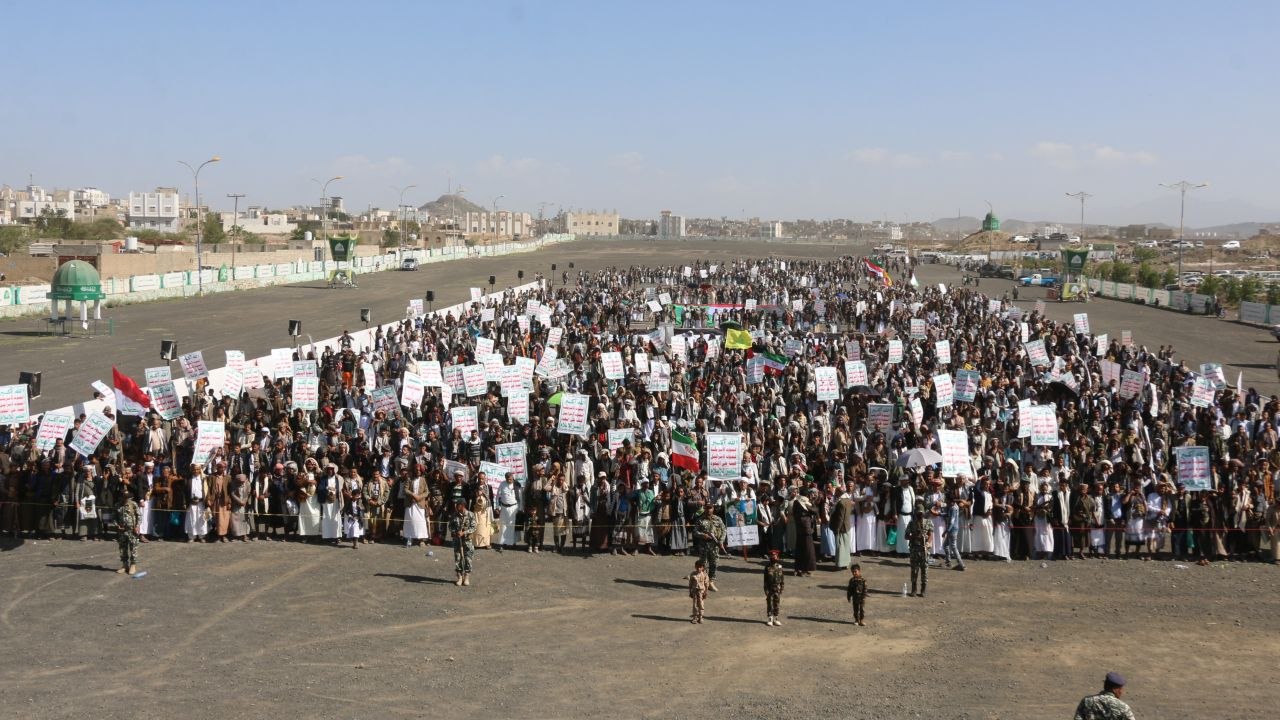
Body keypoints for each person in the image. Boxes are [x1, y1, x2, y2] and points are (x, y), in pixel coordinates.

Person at [691, 502, 725, 591]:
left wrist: (721, 541)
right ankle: (702, 582)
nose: (709, 510)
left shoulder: (718, 519)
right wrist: (703, 535)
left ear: (713, 509)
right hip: (704, 546)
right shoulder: (700, 520)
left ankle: (711, 582)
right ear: (705, 508)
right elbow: (694, 531)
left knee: (714, 564)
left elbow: (723, 530)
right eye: (707, 508)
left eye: (710, 508)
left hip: (715, 546)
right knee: (703, 564)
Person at [448, 498, 477, 586]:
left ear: (463, 506)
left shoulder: (471, 515)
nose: (456, 506)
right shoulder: (454, 515)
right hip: (457, 540)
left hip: (467, 541)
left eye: (458, 505)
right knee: (458, 558)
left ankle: (467, 576)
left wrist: (464, 532)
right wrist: (455, 532)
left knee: (468, 558)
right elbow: (450, 526)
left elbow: (474, 527)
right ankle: (460, 577)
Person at [906, 502, 931, 598]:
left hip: (924, 550)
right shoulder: (911, 524)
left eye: (921, 513)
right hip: (914, 549)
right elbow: (906, 536)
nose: (919, 515)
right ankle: (914, 589)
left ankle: (923, 590)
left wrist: (928, 543)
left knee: (924, 570)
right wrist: (913, 536)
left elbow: (930, 535)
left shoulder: (928, 522)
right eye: (918, 513)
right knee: (914, 570)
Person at [114, 489, 140, 575]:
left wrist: (137, 526)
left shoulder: (133, 504)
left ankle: (133, 565)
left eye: (127, 497)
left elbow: (139, 516)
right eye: (124, 497)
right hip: (122, 531)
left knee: (133, 548)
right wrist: (117, 525)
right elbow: (114, 517)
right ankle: (125, 565)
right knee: (122, 549)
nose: (125, 499)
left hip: (132, 530)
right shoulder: (117, 505)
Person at [763, 548, 785, 626]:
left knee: (777, 603)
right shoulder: (767, 567)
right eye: (772, 556)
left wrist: (782, 587)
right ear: (770, 557)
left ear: (777, 557)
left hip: (777, 588)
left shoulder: (780, 566)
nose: (774, 557)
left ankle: (776, 618)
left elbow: (782, 578)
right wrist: (765, 589)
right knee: (769, 603)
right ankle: (770, 618)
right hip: (770, 588)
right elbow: (765, 580)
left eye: (775, 556)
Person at [688, 558, 710, 624]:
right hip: (694, 591)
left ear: (703, 567)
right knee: (695, 605)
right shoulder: (693, 574)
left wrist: (706, 593)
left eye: (700, 567)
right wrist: (690, 592)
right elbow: (690, 584)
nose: (698, 568)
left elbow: (706, 585)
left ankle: (700, 617)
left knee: (701, 604)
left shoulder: (705, 575)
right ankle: (695, 617)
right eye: (697, 567)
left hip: (701, 592)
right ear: (695, 567)